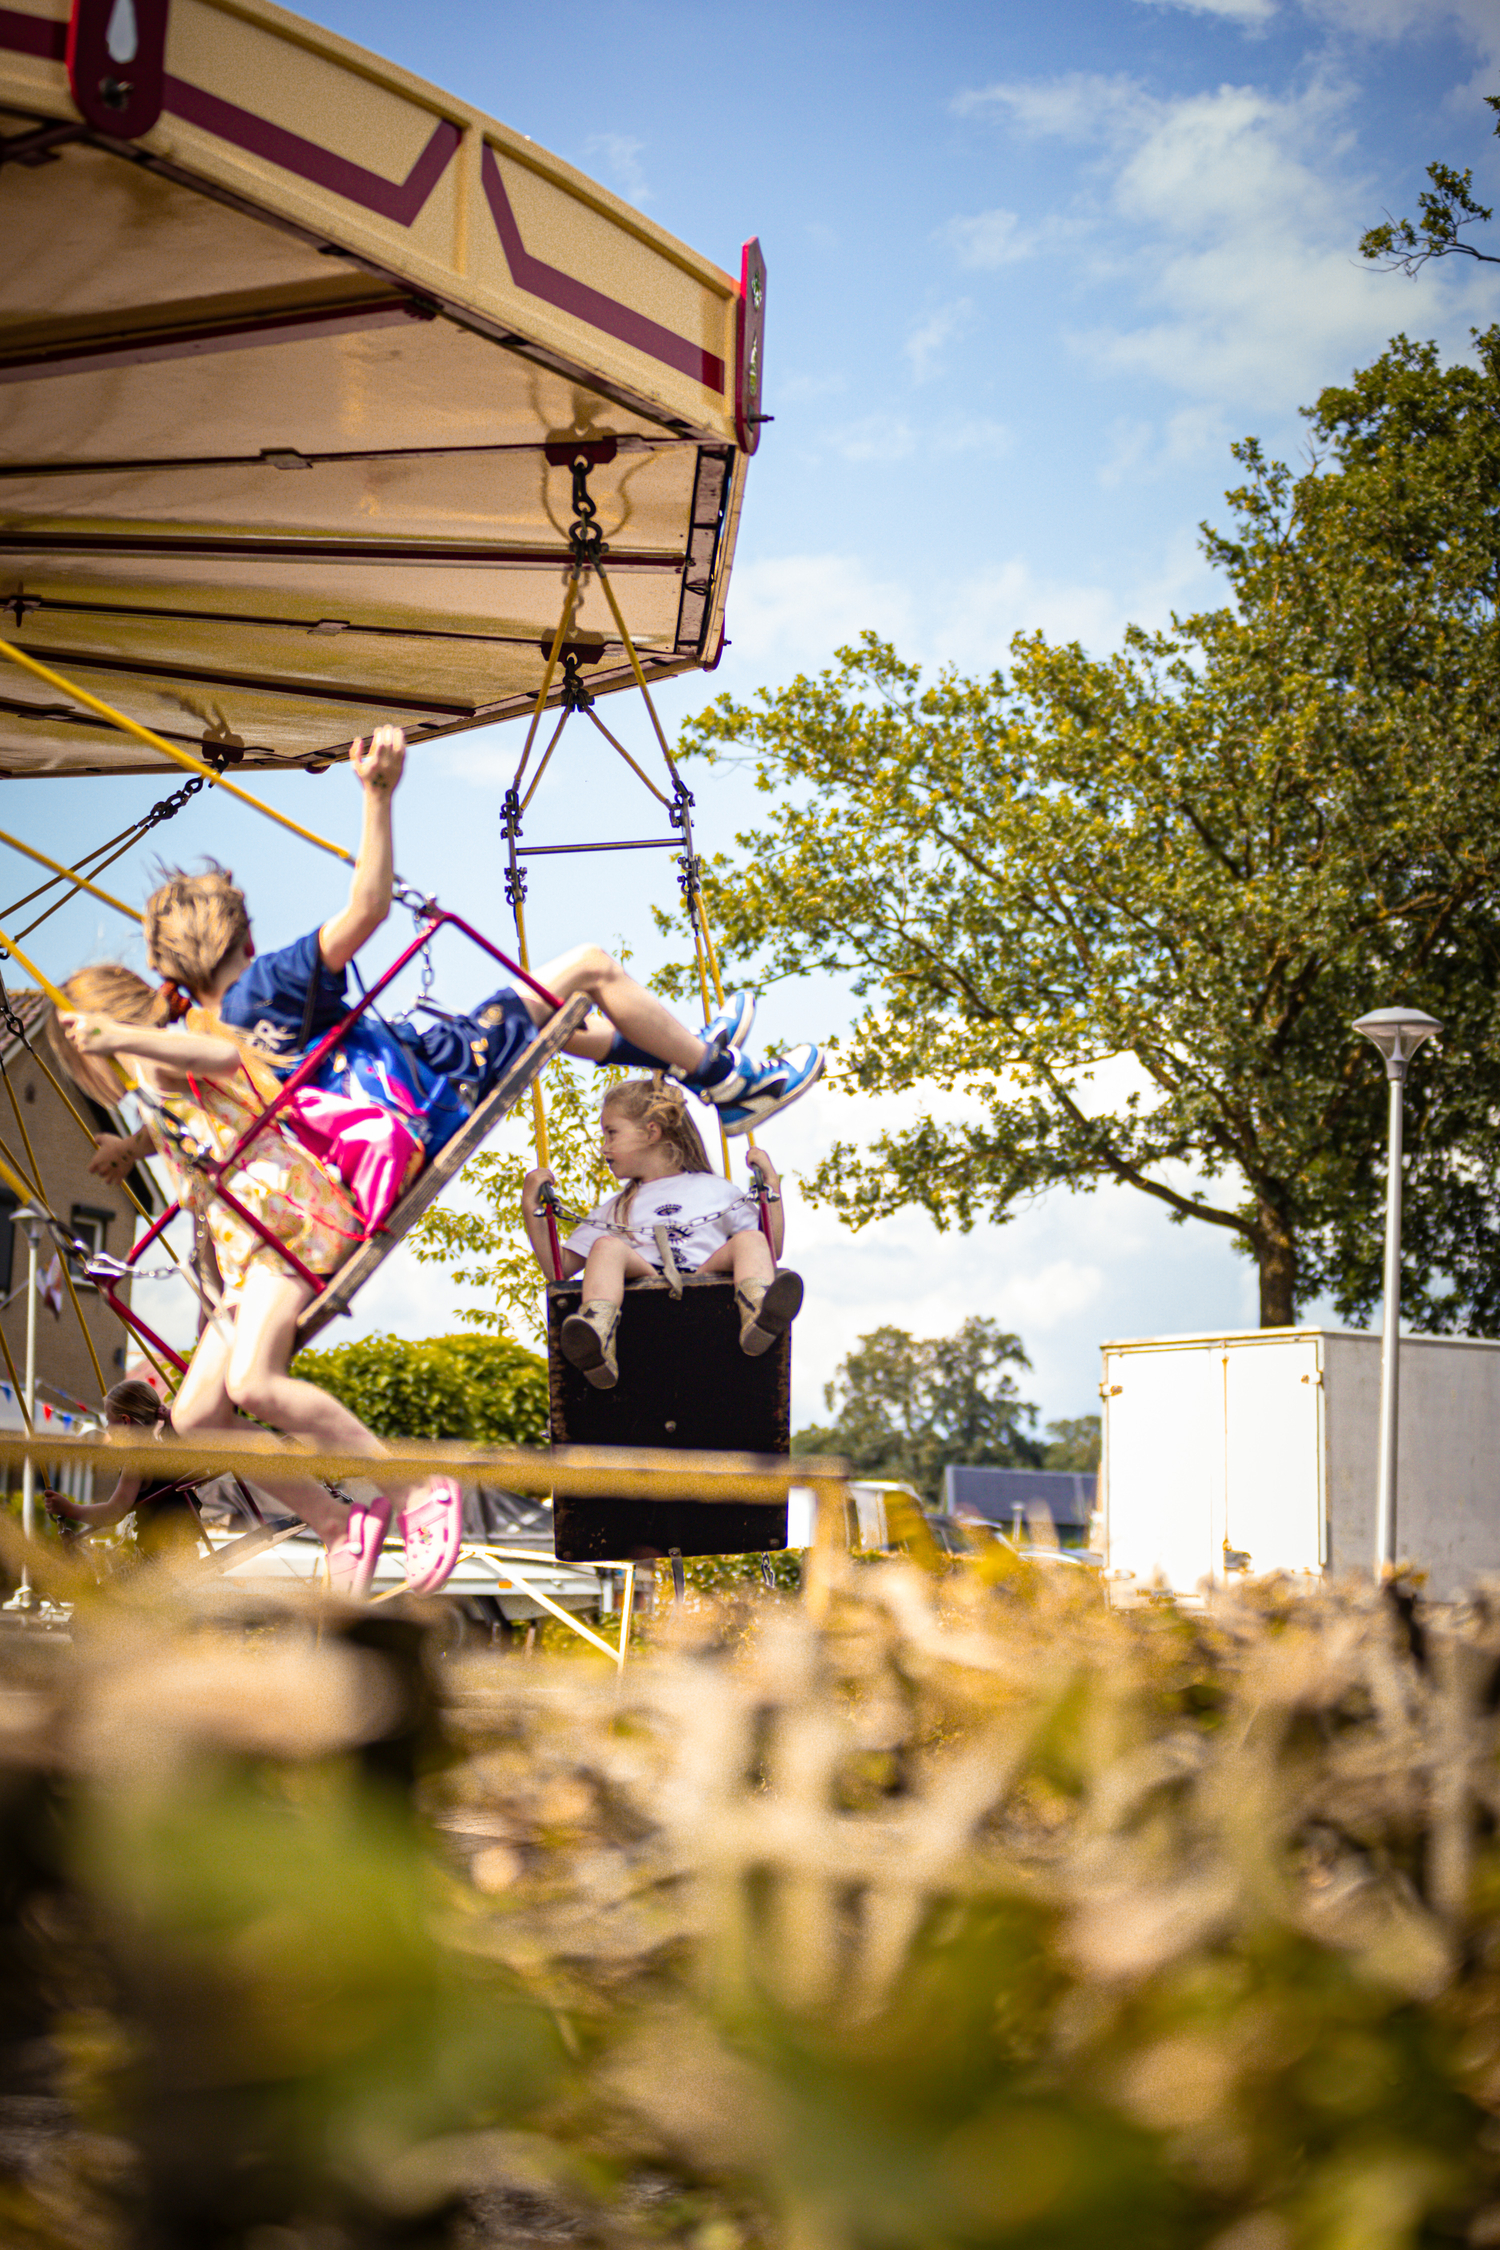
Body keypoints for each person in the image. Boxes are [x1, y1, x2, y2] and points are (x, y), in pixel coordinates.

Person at [98, 728, 821, 1204]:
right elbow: (368, 908)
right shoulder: (270, 983)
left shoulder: (206, 1030)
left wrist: (129, 1145)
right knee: (590, 968)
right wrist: (377, 797)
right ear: (243, 939)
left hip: (397, 1100)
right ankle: (727, 1081)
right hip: (436, 1079)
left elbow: (194, 1114)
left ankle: (692, 1049)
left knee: (558, 1023)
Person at [48, 965, 462, 1599]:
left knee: (254, 1382)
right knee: (195, 1420)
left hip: (288, 1222)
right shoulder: (150, 1087)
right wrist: (134, 1146)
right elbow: (198, 1116)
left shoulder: (160, 1057)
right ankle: (338, 1522)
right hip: (247, 1253)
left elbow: (218, 1057)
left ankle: (416, 1488)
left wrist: (119, 1037)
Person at [521, 1077, 803, 1389]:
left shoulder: (716, 1191)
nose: (604, 1146)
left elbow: (770, 1249)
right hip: (645, 1289)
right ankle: (597, 1336)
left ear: (651, 1132)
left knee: (751, 1240)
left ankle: (758, 1315)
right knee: (606, 1247)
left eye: (611, 1133)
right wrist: (531, 1209)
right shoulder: (614, 1209)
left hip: (702, 1282)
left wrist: (771, 1189)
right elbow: (557, 1268)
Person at [43, 1376, 203, 1564]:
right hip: (187, 1550)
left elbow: (113, 1512)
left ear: (125, 1421)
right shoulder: (166, 1449)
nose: (107, 1428)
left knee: (105, 1588)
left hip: (161, 1560)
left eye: (109, 1421)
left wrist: (70, 1509)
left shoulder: (137, 1459)